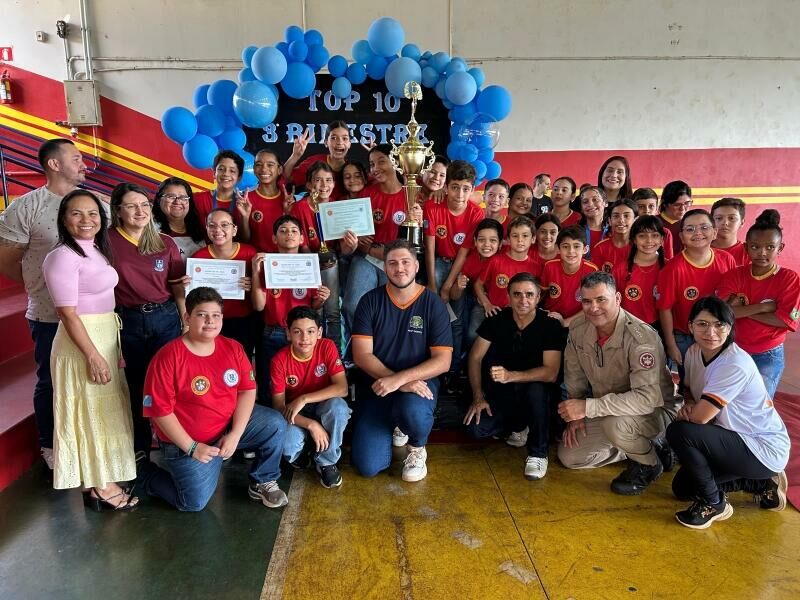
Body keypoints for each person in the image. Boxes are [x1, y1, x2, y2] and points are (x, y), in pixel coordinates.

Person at [137, 287, 288, 511]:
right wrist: (192, 448)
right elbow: (160, 412)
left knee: (275, 424)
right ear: (187, 317)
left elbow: (247, 390)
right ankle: (143, 472)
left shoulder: (233, 348)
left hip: (226, 430)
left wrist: (236, 434)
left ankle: (262, 480)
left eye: (216, 315)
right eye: (202, 314)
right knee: (192, 503)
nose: (210, 321)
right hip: (189, 443)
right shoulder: (168, 357)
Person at [42, 189, 138, 510]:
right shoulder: (61, 256)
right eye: (77, 213)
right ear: (63, 218)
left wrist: (110, 347)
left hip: (104, 334)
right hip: (81, 341)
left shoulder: (94, 249)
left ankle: (101, 479)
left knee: (103, 409)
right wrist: (93, 354)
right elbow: (67, 312)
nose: (86, 220)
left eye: (93, 213)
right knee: (90, 411)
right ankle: (100, 487)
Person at [0, 138, 89, 467]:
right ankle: (50, 444)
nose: (83, 164)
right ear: (54, 164)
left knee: (93, 377)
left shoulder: (94, 203)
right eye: (76, 158)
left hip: (94, 315)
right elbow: (7, 260)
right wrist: (40, 286)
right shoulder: (27, 207)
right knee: (51, 380)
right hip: (49, 315)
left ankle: (86, 438)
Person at [666, 296, 790, 529]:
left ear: (730, 328)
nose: (710, 332)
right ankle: (761, 484)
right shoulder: (694, 352)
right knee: (683, 488)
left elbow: (701, 417)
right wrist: (692, 404)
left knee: (680, 432)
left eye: (719, 324)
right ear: (690, 326)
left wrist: (690, 412)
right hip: (731, 437)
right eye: (702, 324)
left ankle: (714, 503)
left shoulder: (733, 363)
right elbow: (691, 392)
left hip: (760, 447)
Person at [557, 272, 681, 495]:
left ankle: (649, 463)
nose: (593, 308)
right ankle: (646, 445)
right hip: (610, 409)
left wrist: (587, 408)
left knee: (616, 426)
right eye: (586, 301)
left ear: (618, 298)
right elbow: (574, 374)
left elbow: (647, 399)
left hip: (654, 411)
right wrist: (576, 415)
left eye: (601, 299)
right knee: (571, 456)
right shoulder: (578, 329)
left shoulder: (641, 338)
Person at [350, 240, 453, 482]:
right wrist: (394, 381)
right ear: (384, 268)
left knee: (412, 411)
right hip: (379, 386)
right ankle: (396, 423)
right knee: (368, 466)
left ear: (417, 266)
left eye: (405, 262)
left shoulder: (433, 304)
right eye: (392, 263)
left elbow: (443, 361)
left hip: (417, 386)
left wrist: (401, 380)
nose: (400, 268)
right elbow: (361, 355)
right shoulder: (369, 301)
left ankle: (417, 447)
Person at [108, 182, 186, 459]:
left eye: (143, 205)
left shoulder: (165, 242)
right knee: (137, 384)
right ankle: (140, 446)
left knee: (169, 382)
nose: (140, 211)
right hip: (127, 320)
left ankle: (172, 442)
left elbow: (176, 285)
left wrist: (184, 316)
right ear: (118, 210)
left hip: (165, 318)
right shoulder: (106, 241)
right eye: (131, 206)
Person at [464, 273, 563, 480]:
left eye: (529, 294)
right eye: (517, 294)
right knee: (475, 429)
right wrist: (478, 397)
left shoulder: (550, 325)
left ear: (538, 298)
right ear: (508, 297)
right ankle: (518, 427)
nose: (523, 300)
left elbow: (550, 373)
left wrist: (511, 375)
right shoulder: (497, 320)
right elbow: (475, 358)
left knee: (536, 389)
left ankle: (538, 453)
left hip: (535, 396)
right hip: (503, 394)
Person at [718, 210, 800, 398]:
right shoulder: (735, 275)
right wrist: (763, 307)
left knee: (759, 403)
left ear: (780, 248)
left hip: (768, 353)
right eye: (755, 247)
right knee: (729, 401)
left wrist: (740, 310)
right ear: (746, 248)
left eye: (770, 247)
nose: (762, 253)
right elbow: (724, 312)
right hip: (734, 349)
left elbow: (785, 321)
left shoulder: (788, 278)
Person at [270, 306, 351, 488]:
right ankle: (304, 451)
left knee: (338, 407)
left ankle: (326, 461)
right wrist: (311, 425)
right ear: (288, 333)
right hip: (295, 415)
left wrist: (304, 398)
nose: (305, 338)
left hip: (323, 406)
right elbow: (278, 407)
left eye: (310, 331)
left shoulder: (326, 347)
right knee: (287, 445)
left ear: (319, 333)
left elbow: (342, 388)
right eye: (297, 332)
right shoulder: (279, 360)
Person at [342, 145, 421, 329]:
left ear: (396, 162)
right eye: (371, 164)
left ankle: (384, 351)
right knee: (352, 306)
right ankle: (358, 349)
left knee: (391, 310)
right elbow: (358, 237)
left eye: (381, 161)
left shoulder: (413, 194)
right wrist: (366, 246)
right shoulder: (366, 194)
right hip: (368, 258)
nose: (375, 168)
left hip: (397, 262)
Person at [657, 209, 736, 376]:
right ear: (682, 237)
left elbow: (732, 298)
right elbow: (665, 309)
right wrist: (671, 345)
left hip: (719, 334)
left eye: (704, 227)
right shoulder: (673, 268)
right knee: (690, 382)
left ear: (714, 232)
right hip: (686, 337)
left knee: (717, 378)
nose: (698, 233)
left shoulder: (726, 259)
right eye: (690, 229)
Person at [251, 215, 328, 388]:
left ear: (302, 238)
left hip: (303, 334)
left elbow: (314, 305)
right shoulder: (266, 265)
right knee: (270, 385)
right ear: (274, 238)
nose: (289, 234)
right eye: (283, 231)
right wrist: (255, 273)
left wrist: (321, 299)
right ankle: (271, 415)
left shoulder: (309, 265)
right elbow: (259, 305)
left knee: (302, 382)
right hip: (274, 332)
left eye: (294, 231)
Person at [290, 161, 356, 353]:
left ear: (334, 184)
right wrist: (311, 264)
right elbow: (299, 241)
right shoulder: (300, 207)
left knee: (333, 311)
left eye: (328, 180)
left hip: (331, 263)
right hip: (307, 263)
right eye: (318, 180)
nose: (323, 185)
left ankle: (334, 355)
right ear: (309, 185)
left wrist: (349, 245)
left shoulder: (336, 207)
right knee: (314, 311)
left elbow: (343, 249)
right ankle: (313, 354)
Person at [190, 209, 257, 356]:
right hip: (210, 322)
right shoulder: (198, 258)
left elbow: (260, 295)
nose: (218, 230)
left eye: (224, 225)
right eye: (212, 225)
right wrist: (188, 286)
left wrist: (252, 285)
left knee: (240, 360)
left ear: (234, 230)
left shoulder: (249, 253)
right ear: (206, 229)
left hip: (242, 321)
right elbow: (193, 298)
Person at [445, 218, 503, 348]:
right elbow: (454, 296)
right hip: (475, 299)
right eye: (482, 240)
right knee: (467, 331)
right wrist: (458, 287)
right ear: (475, 242)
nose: (487, 244)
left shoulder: (503, 259)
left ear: (500, 244)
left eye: (493, 240)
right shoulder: (471, 261)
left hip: (496, 304)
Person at [474, 216, 537, 319]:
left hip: (521, 317)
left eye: (525, 236)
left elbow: (539, 293)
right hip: (495, 313)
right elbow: (478, 284)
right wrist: (487, 304)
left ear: (533, 239)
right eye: (515, 236)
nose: (520, 240)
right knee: (472, 333)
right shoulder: (495, 261)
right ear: (508, 239)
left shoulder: (536, 267)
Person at [612, 216, 666, 328]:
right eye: (642, 236)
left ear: (661, 240)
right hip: (627, 326)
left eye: (655, 235)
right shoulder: (620, 270)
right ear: (634, 240)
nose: (649, 241)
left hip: (662, 327)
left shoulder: (669, 267)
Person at [540, 225, 599, 328]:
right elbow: (541, 295)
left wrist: (566, 322)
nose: (571, 251)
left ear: (585, 249)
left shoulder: (591, 270)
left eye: (576, 246)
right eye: (565, 246)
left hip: (580, 321)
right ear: (558, 249)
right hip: (552, 319)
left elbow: (593, 304)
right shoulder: (549, 266)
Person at [283, 120, 352, 198]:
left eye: (344, 138)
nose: (339, 142)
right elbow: (286, 177)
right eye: (334, 138)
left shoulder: (352, 169)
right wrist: (295, 155)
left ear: (349, 144)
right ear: (326, 142)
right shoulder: (314, 162)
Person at [245, 148, 293, 252]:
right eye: (259, 164)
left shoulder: (288, 199)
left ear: (279, 169)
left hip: (283, 259)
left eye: (270, 165)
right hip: (256, 260)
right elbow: (243, 239)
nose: (263, 169)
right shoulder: (246, 199)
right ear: (254, 169)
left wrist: (287, 212)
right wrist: (244, 217)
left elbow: (295, 236)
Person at [192, 150, 250, 233]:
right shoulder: (198, 199)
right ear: (214, 172)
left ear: (239, 177)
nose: (226, 174)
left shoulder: (244, 203)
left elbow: (245, 240)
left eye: (232, 171)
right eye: (221, 169)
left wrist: (245, 217)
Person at [151, 177, 206, 262]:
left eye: (183, 197)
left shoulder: (200, 229)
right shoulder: (149, 230)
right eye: (171, 196)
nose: (177, 202)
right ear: (159, 199)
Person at [591, 199, 636, 273]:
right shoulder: (600, 248)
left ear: (635, 220)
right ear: (609, 221)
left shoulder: (640, 247)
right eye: (616, 216)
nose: (621, 220)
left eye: (626, 216)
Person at [631, 187, 674, 259]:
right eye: (641, 207)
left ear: (657, 208)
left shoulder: (665, 232)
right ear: (634, 209)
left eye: (651, 206)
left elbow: (669, 261)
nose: (647, 210)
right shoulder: (629, 231)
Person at [711, 197, 749, 266]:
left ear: (742, 223)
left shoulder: (748, 253)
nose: (725, 223)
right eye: (719, 218)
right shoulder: (701, 249)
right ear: (711, 222)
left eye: (732, 218)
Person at [658, 180, 693, 256]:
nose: (683, 208)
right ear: (665, 204)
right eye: (677, 204)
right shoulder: (654, 223)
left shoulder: (692, 223)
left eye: (687, 203)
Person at [578, 186, 609, 258]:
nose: (590, 204)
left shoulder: (613, 231)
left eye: (595, 200)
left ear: (605, 202)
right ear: (581, 208)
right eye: (585, 202)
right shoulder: (576, 231)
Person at [529, 213, 561, 279]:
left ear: (558, 233)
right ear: (536, 232)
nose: (547, 236)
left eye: (553, 232)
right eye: (543, 232)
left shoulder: (564, 253)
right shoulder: (527, 251)